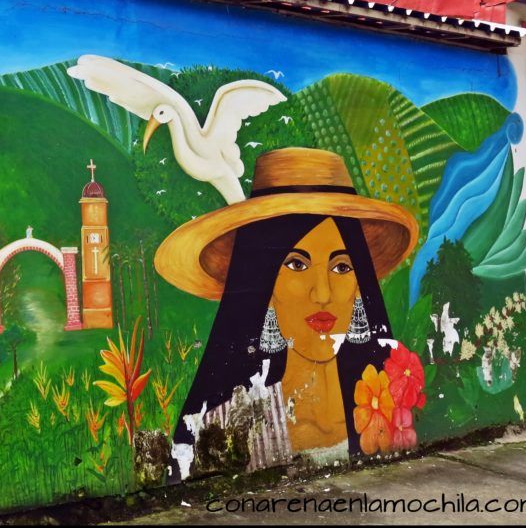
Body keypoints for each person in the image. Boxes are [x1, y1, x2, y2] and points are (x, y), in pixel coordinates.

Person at [154, 148, 419, 479]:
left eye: (341, 266)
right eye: (297, 264)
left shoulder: (386, 405)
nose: (321, 293)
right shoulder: (219, 429)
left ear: (358, 284)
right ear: (266, 285)